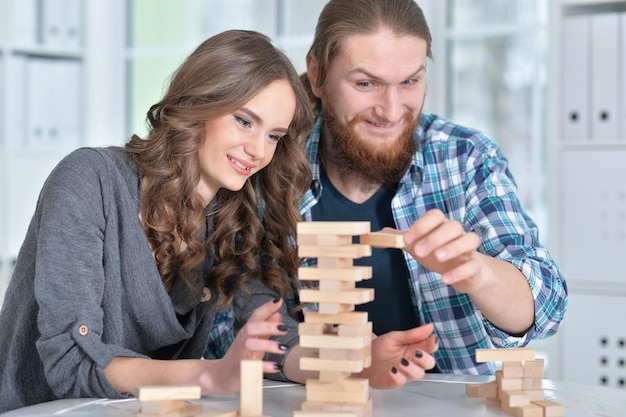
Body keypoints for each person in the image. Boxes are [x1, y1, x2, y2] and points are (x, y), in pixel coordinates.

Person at [206, 0, 568, 376]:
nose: (392, 111)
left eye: (410, 81)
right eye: (366, 84)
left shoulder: (466, 158)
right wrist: (351, 364)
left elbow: (546, 306)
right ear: (317, 74)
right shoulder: (268, 166)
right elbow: (234, 326)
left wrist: (477, 272)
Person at [0, 29, 314, 412]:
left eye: (274, 136)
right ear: (200, 102)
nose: (258, 150)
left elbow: (275, 341)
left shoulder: (235, 217)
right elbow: (70, 362)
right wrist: (209, 375)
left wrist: (351, 366)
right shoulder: (88, 180)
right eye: (244, 121)